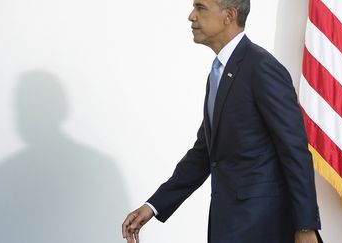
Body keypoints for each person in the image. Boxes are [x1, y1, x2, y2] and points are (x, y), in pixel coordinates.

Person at [122, 0, 322, 242]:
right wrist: (153, 206)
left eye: (201, 8)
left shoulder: (261, 67)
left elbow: (294, 151)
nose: (191, 16)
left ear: (229, 15)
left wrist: (305, 227)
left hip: (263, 228)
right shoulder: (218, 73)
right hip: (227, 227)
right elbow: (204, 153)